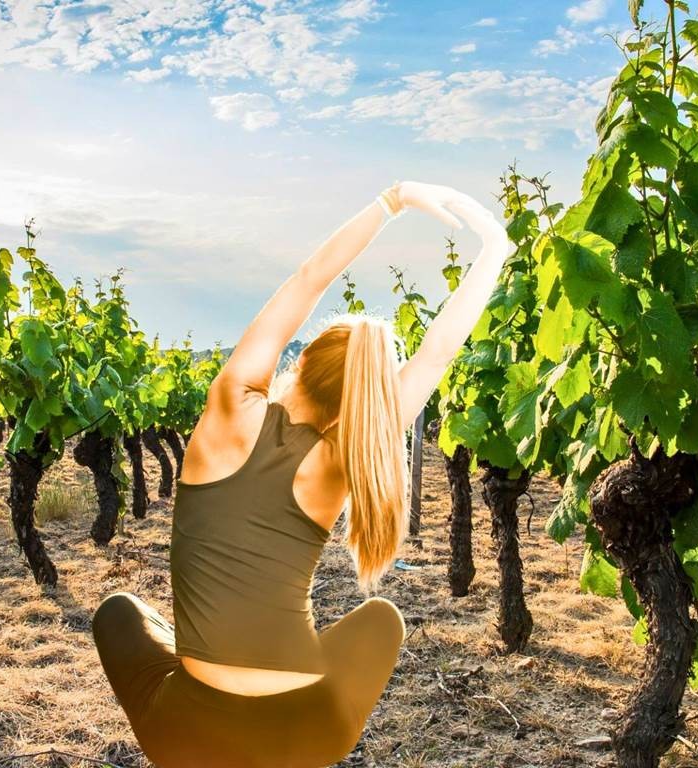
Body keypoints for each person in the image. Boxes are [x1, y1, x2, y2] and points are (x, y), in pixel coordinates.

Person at [92, 180, 510, 767]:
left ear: (304, 357)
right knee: (382, 620)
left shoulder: (231, 407)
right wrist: (494, 249)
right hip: (305, 731)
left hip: (186, 736)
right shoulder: (344, 457)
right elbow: (437, 353)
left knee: (119, 612)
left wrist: (391, 202)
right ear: (357, 402)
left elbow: (310, 278)